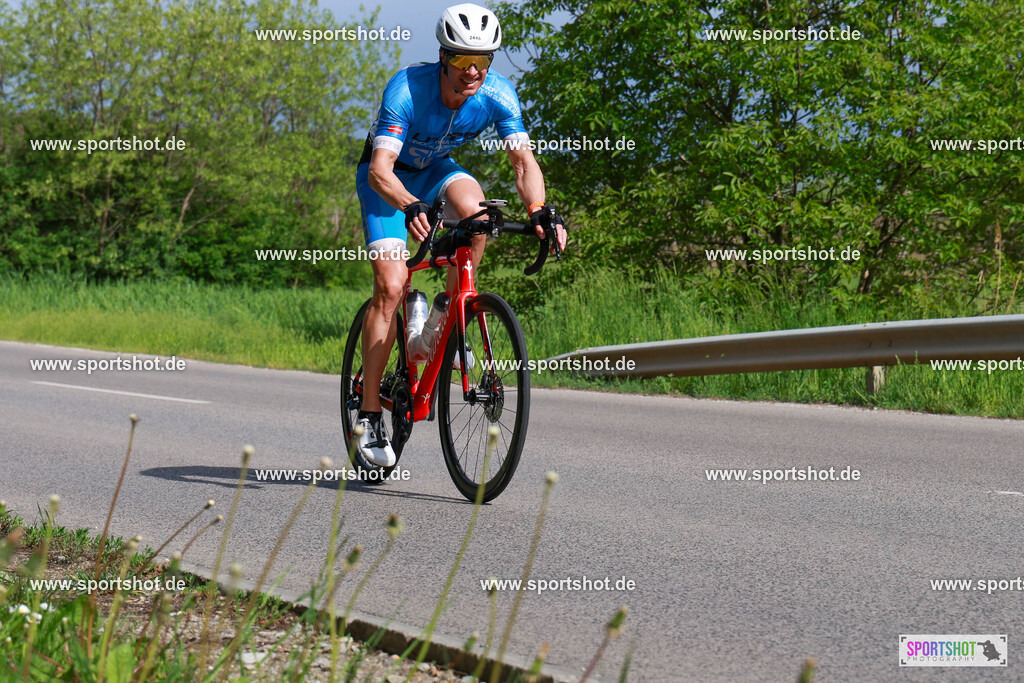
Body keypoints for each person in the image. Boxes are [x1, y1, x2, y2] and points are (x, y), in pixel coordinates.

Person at [354, 3, 567, 467]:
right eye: (461, 61)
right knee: (390, 287)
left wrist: (539, 209)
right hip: (389, 182)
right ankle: (369, 414)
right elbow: (379, 170)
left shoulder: (498, 94)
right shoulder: (408, 89)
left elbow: (523, 163)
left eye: (483, 62)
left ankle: (448, 320)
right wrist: (409, 204)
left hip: (439, 172)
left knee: (481, 216)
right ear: (443, 56)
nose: (472, 72)